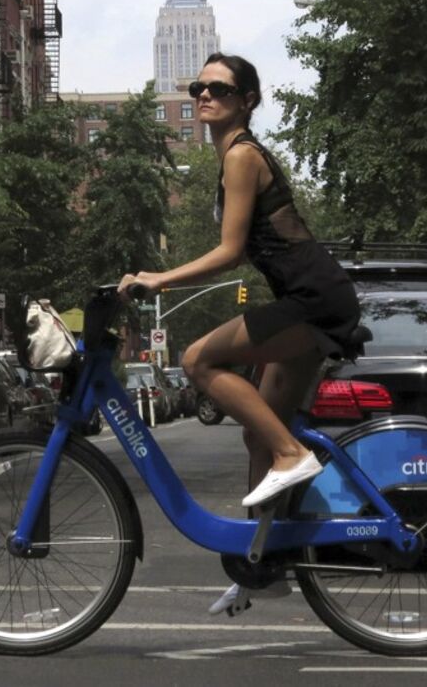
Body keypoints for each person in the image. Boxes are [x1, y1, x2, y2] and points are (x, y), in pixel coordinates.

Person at [117, 52, 360, 616]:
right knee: (258, 434)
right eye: (199, 87)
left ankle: (290, 453)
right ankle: (260, 566)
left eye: (219, 90)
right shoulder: (234, 156)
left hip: (312, 300)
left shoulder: (242, 156)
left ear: (247, 100)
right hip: (306, 298)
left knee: (200, 359)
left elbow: (230, 253)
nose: (205, 95)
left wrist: (160, 279)